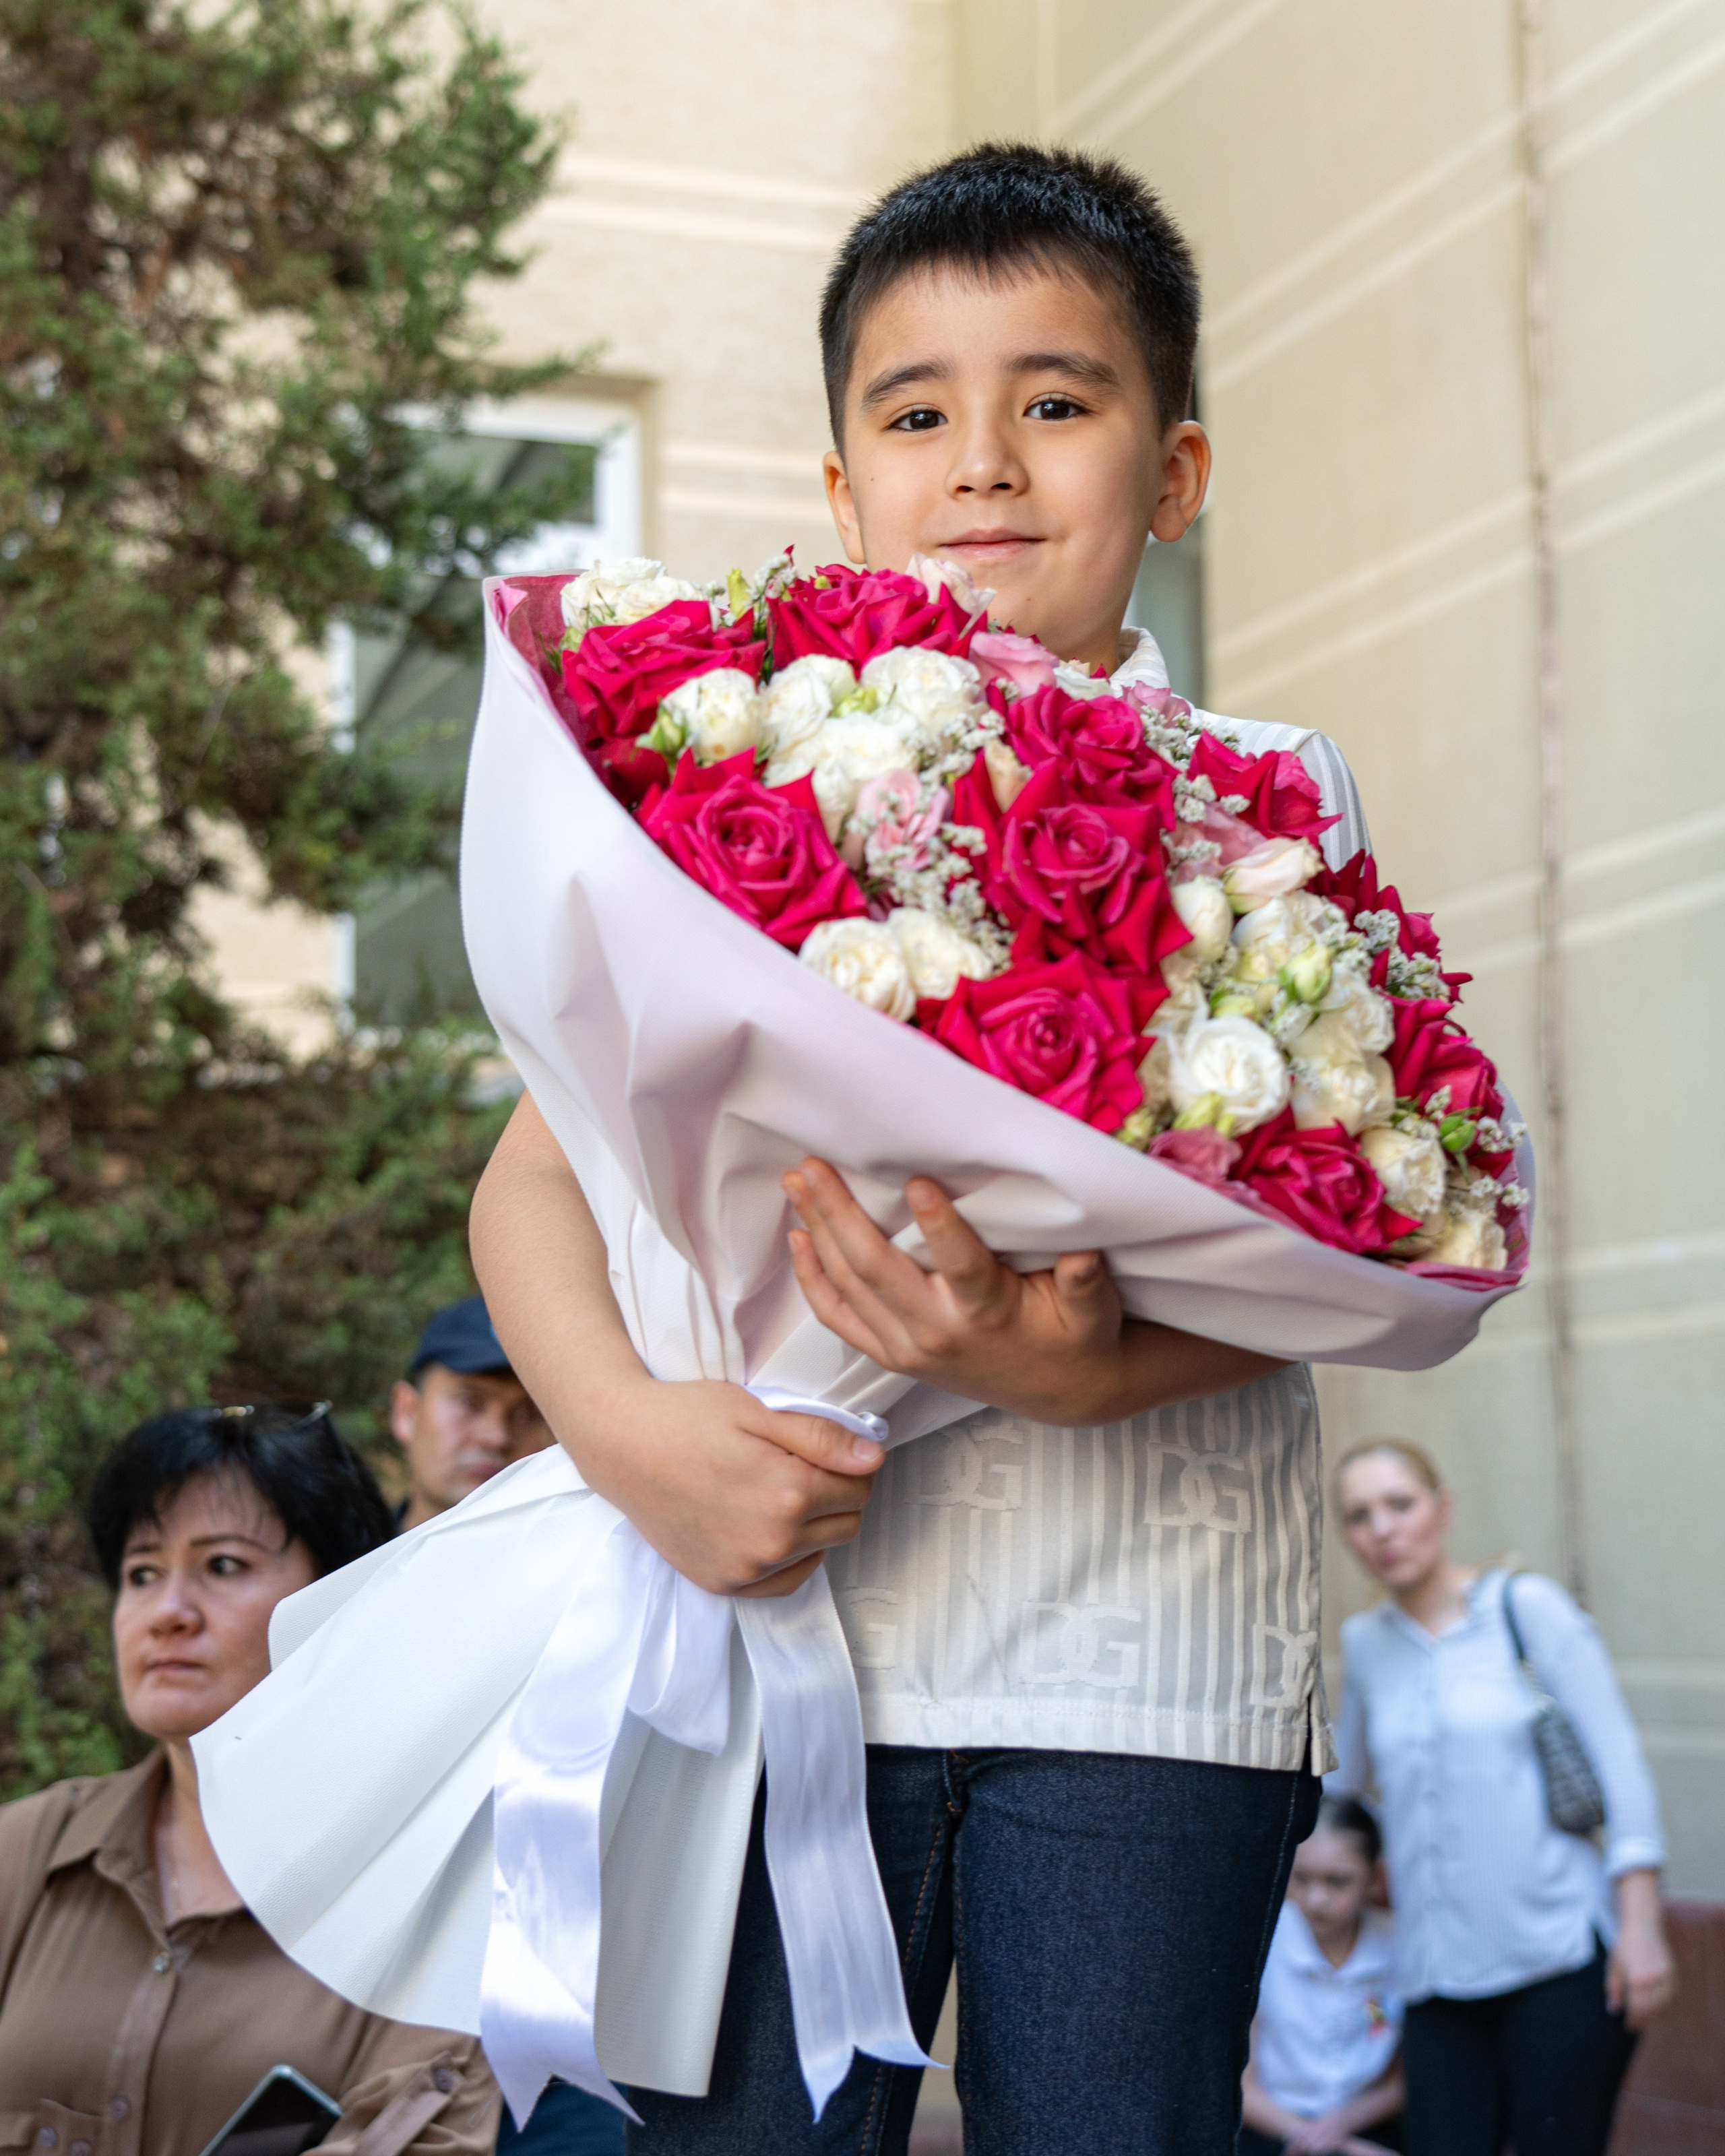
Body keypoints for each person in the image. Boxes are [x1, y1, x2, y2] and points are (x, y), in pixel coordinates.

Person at [473, 144, 1377, 2156]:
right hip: (765, 1611)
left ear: (1174, 470)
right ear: (839, 485)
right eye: (914, 414)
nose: (981, 463)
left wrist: (1081, 1367)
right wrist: (626, 1434)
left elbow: (1349, 1234)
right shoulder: (730, 762)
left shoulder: (1269, 797)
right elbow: (535, 1176)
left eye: (1053, 401)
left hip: (1147, 1659)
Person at [0, 1401, 500, 2149]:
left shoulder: (430, 1893)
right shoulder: (28, 1848)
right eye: (142, 1573)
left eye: (223, 1565)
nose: (167, 1611)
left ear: (340, 1599)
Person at [1329, 1437, 1675, 2156]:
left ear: (1443, 1508)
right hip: (1434, 1973)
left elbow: (1620, 1765)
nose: (1383, 1529)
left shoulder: (1526, 1606)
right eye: (1359, 1515)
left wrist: (1640, 1928)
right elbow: (1343, 1787)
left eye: (1400, 1503)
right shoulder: (1364, 1643)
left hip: (1555, 1954)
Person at [1240, 1796, 1404, 2155]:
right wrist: (1331, 2144)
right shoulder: (1261, 1944)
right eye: (1301, 1878)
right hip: (1272, 2129)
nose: (1316, 1899)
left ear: (1375, 1877)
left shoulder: (1399, 1947)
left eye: (1337, 1882)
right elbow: (1242, 2086)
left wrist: (1340, 2129)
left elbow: (1402, 2081)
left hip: (1367, 2125)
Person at [392, 1293, 553, 1529]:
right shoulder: (343, 1550)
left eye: (528, 1414)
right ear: (407, 1411)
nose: (497, 1437)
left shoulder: (586, 1552)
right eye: (469, 1403)